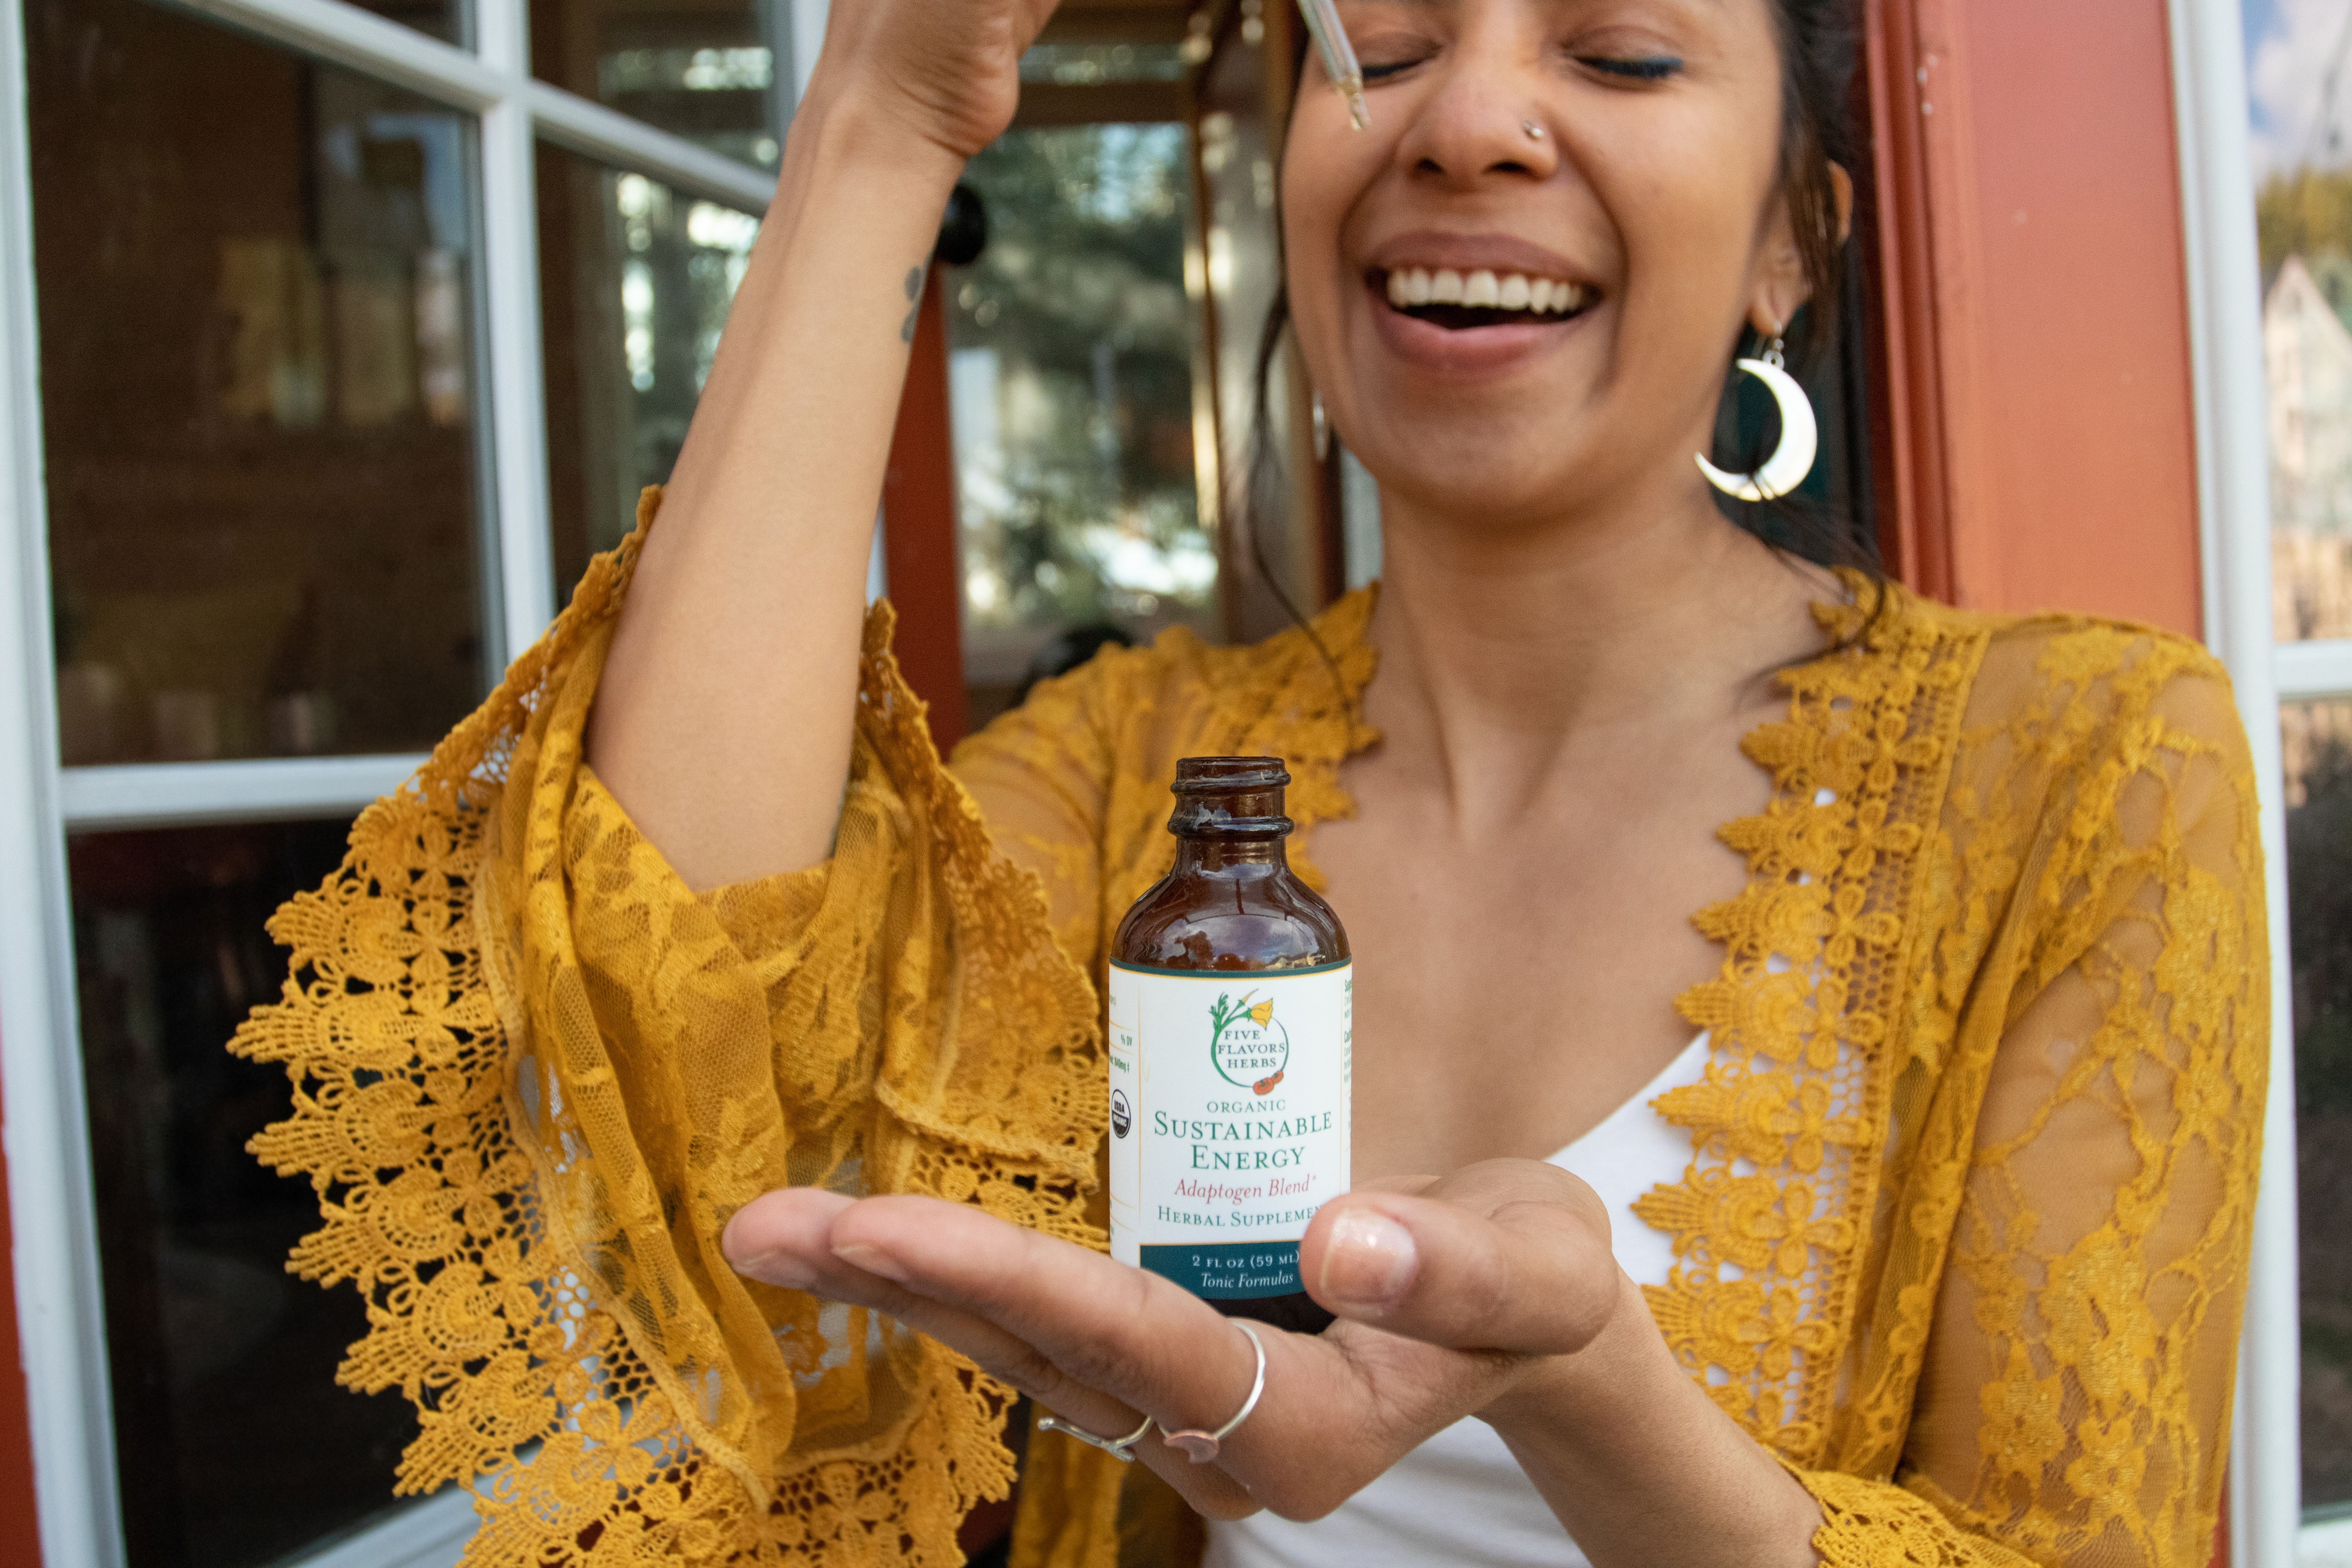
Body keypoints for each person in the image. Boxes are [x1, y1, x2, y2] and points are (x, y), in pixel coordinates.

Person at [231, 0, 2268, 1563]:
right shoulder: (1132, 783)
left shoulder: (2089, 774)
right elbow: (671, 1056)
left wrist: (1594, 1397)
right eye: (1373, 46)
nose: (1463, 119)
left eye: (1624, 50)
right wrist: (883, 124)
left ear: (1790, 245)